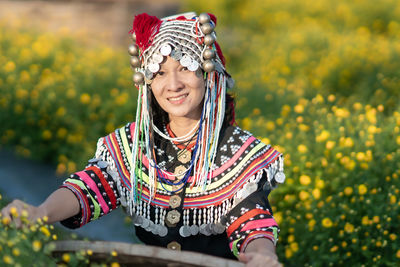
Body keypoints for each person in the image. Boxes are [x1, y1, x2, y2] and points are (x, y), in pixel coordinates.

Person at [1, 12, 285, 266]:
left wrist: (263, 255)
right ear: (148, 83)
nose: (173, 85)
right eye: (159, 73)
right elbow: (89, 187)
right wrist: (40, 211)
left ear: (208, 73)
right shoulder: (136, 144)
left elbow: (253, 222)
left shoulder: (237, 152)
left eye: (185, 67)